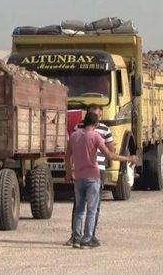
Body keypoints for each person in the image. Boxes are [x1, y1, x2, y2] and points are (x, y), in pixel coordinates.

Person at [65, 112, 137, 249]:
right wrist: (129, 158)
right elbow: (109, 155)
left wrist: (69, 172)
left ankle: (76, 237)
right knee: (91, 210)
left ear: (84, 122)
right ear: (96, 124)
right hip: (93, 176)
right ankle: (87, 240)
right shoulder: (96, 137)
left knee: (79, 209)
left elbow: (67, 156)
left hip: (78, 177)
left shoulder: (74, 136)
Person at [65, 104, 115, 247]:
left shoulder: (105, 129)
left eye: (97, 115)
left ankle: (90, 235)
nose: (96, 117)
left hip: (98, 168)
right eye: (93, 114)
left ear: (101, 115)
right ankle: (79, 236)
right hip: (87, 171)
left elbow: (110, 149)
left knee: (93, 206)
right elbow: (111, 153)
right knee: (81, 206)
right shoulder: (78, 128)